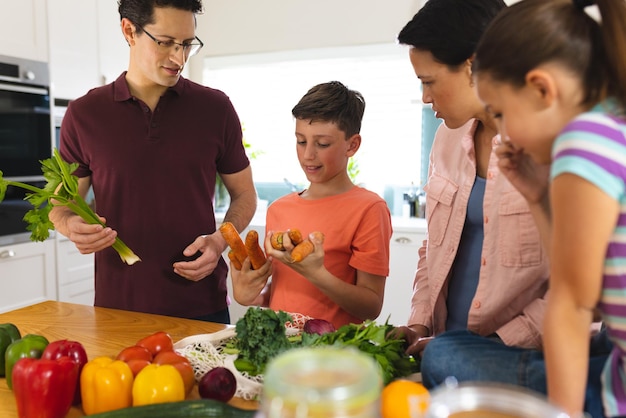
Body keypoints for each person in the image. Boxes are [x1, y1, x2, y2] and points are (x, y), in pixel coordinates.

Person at [50, 0, 257, 324]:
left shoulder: (216, 108)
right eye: (165, 43)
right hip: (117, 310)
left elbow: (245, 194)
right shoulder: (84, 113)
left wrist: (220, 242)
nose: (180, 58)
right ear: (129, 30)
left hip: (203, 308)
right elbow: (61, 203)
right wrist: (70, 225)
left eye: (187, 44)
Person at [473, 0, 626, 416]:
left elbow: (573, 307)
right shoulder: (613, 124)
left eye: (501, 113)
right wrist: (539, 197)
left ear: (542, 89)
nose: (503, 132)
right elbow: (592, 297)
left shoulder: (585, 138)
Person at [230, 81, 392, 329]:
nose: (308, 155)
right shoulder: (278, 209)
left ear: (352, 145)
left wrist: (316, 273)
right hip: (280, 350)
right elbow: (284, 291)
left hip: (331, 353)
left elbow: (371, 306)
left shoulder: (369, 209)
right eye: (301, 141)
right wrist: (249, 295)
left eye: (323, 144)